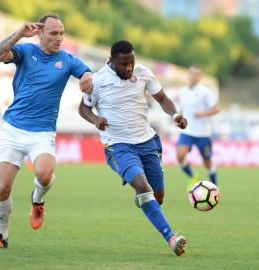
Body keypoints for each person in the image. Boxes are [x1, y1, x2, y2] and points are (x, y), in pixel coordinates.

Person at [0, 13, 93, 251]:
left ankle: (38, 199)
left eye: (62, 33)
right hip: (13, 128)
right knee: (3, 188)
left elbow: (87, 71)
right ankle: (1, 236)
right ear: (40, 33)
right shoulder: (25, 51)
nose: (59, 38)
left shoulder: (67, 60)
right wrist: (19, 34)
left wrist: (86, 75)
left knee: (44, 174)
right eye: (54, 33)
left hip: (42, 132)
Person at [79, 40, 188, 256]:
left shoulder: (143, 73)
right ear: (111, 61)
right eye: (123, 64)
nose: (129, 67)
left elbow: (163, 98)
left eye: (132, 62)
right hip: (118, 145)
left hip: (147, 141)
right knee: (143, 186)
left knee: (157, 198)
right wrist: (96, 120)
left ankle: (143, 195)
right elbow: (84, 108)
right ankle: (171, 237)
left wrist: (175, 114)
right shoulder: (99, 80)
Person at [176, 66, 220, 191]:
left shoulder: (205, 92)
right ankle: (193, 176)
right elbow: (182, 109)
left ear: (200, 77)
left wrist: (203, 113)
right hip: (187, 132)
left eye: (196, 74)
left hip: (203, 133)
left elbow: (217, 108)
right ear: (188, 75)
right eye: (192, 74)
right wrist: (179, 118)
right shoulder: (183, 91)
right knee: (180, 155)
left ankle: (215, 186)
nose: (194, 76)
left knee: (207, 161)